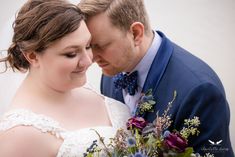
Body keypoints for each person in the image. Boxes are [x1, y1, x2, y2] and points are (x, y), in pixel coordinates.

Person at [78, 0, 234, 156]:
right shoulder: (110, 73)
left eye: (101, 46)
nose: (91, 58)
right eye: (89, 46)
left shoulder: (201, 91)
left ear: (135, 33)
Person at [0, 0, 130, 157]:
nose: (88, 61)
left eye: (88, 46)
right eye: (71, 54)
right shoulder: (18, 136)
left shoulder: (78, 84)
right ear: (33, 56)